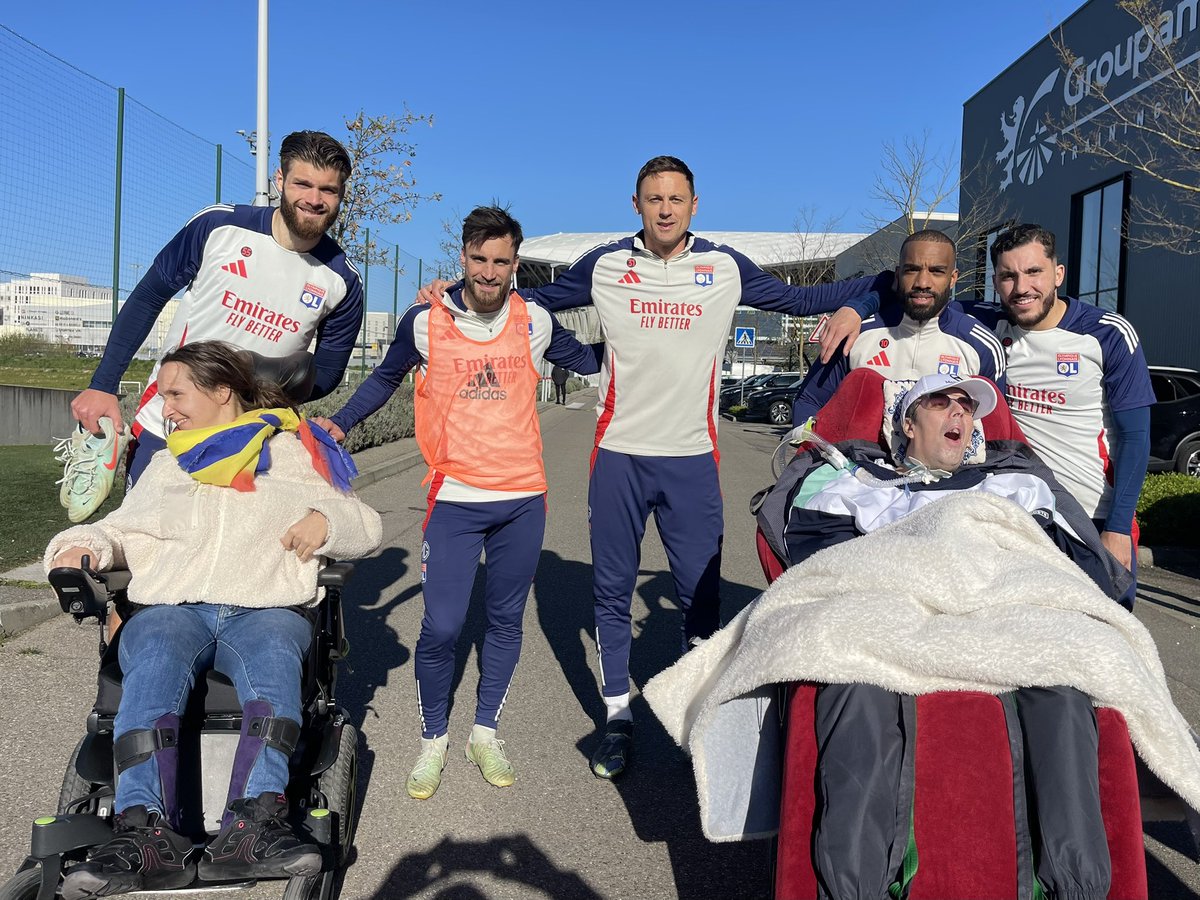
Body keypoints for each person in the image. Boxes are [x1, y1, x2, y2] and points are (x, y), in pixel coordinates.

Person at [421, 156, 893, 779]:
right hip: (618, 457)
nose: (665, 209)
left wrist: (871, 295)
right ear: (636, 205)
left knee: (699, 596)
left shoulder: (724, 266)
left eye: (676, 198)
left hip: (693, 460)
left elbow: (807, 299)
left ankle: (697, 713)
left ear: (695, 205)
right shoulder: (606, 265)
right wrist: (450, 298)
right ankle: (617, 720)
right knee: (610, 594)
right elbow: (525, 296)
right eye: (653, 198)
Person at [45, 341, 382, 899]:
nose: (165, 408)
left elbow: (364, 523)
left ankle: (252, 825)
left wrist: (326, 520)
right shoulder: (168, 463)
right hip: (175, 607)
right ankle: (140, 830)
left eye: (176, 394)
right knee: (153, 657)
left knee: (275, 659)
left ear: (222, 391)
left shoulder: (294, 454)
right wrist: (78, 545)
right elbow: (121, 530)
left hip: (265, 606)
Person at [777, 374, 1127, 899]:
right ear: (907, 424)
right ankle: (852, 891)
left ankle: (1079, 890)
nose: (958, 413)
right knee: (855, 683)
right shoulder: (855, 482)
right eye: (940, 403)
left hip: (1003, 620)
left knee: (1062, 681)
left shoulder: (1016, 484)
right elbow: (817, 560)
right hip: (894, 623)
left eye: (967, 406)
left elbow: (1074, 568)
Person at [313, 206, 603, 800]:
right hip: (455, 499)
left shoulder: (536, 320)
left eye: (502, 261)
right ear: (463, 258)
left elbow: (598, 361)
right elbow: (385, 378)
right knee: (442, 626)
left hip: (523, 498)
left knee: (503, 621)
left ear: (515, 264)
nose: (490, 273)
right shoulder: (425, 321)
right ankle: (433, 740)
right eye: (479, 259)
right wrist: (341, 424)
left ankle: (485, 731)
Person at [65, 130, 364, 512]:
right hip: (168, 423)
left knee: (235, 558)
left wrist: (255, 388)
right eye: (302, 184)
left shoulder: (343, 280)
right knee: (144, 547)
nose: (314, 199)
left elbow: (326, 373)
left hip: (255, 440)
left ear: (341, 195)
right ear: (279, 181)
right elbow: (149, 297)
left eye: (328, 190)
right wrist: (103, 385)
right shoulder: (219, 226)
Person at [966, 224, 1155, 573]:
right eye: (1008, 276)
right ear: (995, 282)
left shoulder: (1107, 333)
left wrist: (1117, 527)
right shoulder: (985, 325)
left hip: (1094, 517)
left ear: (1058, 274)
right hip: (1022, 518)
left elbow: (1136, 437)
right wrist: (856, 309)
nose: (1022, 288)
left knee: (1104, 625)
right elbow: (916, 291)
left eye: (1034, 272)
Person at [791, 229, 1007, 425]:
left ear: (953, 279)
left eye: (936, 271)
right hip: (859, 467)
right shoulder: (856, 334)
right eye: (912, 270)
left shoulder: (982, 345)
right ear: (897, 275)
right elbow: (809, 401)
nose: (923, 282)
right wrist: (819, 461)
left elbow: (995, 429)